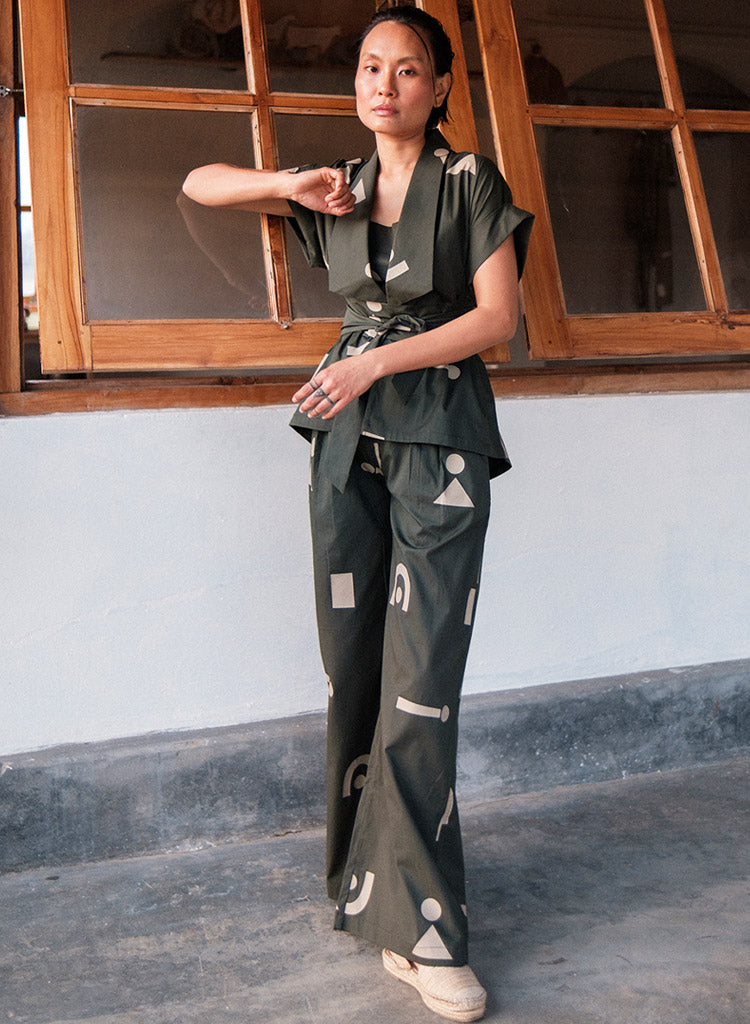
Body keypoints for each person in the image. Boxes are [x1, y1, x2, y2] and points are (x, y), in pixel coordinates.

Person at [183, 6, 533, 1020]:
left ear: (439, 86)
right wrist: (286, 183)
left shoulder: (468, 181)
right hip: (344, 447)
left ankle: (426, 931)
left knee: (422, 684)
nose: (385, 83)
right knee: (356, 670)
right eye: (371, 66)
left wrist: (374, 362)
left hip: (440, 442)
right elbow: (199, 184)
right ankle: (366, 892)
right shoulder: (334, 185)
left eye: (408, 68)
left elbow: (498, 317)